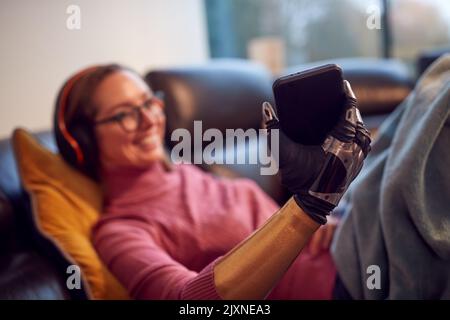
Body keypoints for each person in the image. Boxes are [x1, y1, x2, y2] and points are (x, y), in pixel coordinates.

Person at [53, 64, 371, 299]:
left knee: (407, 126)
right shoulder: (120, 230)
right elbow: (188, 302)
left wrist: (322, 222)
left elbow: (271, 224)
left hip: (348, 240)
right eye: (124, 114)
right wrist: (307, 211)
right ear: (83, 142)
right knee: (421, 110)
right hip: (342, 284)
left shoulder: (188, 169)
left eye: (150, 102)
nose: (150, 120)